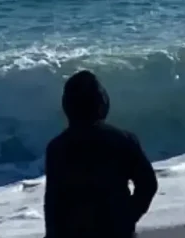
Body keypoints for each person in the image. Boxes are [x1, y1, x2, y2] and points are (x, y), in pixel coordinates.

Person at [43, 70, 158, 238]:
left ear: (67, 106)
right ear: (102, 103)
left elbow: (53, 204)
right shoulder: (123, 139)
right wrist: (128, 217)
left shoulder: (56, 147)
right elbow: (148, 184)